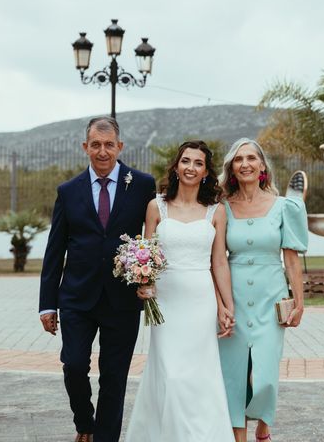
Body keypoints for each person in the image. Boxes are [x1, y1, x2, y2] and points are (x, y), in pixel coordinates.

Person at [38, 116, 155, 442]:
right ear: (85, 147)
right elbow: (54, 250)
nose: (102, 152)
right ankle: (84, 423)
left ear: (120, 147)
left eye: (109, 145)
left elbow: (152, 238)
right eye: (95, 145)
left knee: (114, 377)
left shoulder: (143, 184)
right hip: (76, 297)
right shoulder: (68, 191)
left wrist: (149, 277)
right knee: (74, 365)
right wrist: (47, 305)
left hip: (123, 298)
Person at [125, 140, 236, 442]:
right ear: (176, 167)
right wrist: (144, 283)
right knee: (171, 375)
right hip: (166, 302)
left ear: (206, 172)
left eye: (198, 163)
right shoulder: (156, 207)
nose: (191, 167)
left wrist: (227, 305)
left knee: (200, 375)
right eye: (186, 161)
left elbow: (219, 263)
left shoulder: (216, 210)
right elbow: (145, 255)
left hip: (200, 302)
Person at [217, 138, 308, 442]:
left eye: (251, 158)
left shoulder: (284, 206)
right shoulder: (222, 208)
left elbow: (292, 258)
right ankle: (240, 437)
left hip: (272, 295)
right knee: (234, 373)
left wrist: (299, 301)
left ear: (262, 166)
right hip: (235, 294)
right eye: (239, 159)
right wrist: (221, 302)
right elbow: (215, 258)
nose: (245, 164)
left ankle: (263, 425)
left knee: (265, 374)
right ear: (232, 168)